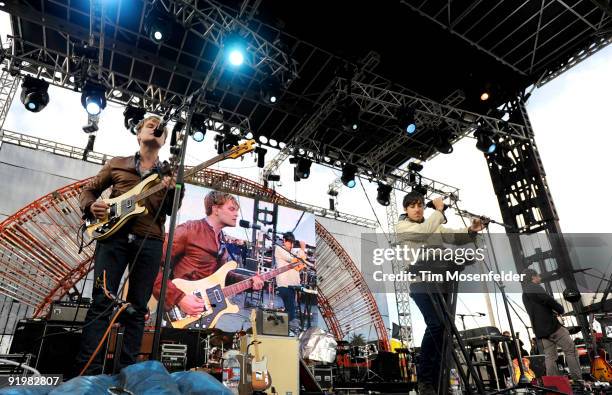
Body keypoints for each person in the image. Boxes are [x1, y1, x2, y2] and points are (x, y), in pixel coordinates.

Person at [75, 115, 182, 375]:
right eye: (150, 124)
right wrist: (91, 206)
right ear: (138, 133)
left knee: (137, 308)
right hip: (114, 238)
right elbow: (87, 192)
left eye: (161, 129)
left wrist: (171, 188)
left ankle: (128, 373)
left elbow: (171, 209)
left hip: (150, 241)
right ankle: (89, 373)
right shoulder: (117, 164)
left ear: (164, 140)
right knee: (102, 302)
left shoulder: (169, 173)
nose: (156, 128)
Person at [395, 191, 485, 395]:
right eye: (412, 206)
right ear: (406, 210)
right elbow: (425, 231)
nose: (417, 209)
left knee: (445, 331)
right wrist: (438, 210)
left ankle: (438, 381)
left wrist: (471, 230)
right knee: (435, 324)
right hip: (421, 284)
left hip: (442, 281)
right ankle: (425, 379)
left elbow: (453, 235)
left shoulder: (434, 224)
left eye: (420, 205)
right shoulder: (403, 226)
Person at [151, 191, 263, 323]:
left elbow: (222, 277)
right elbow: (151, 264)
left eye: (236, 210)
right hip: (178, 311)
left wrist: (250, 281)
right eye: (232, 209)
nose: (236, 214)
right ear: (215, 209)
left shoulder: (221, 241)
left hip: (204, 312)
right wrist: (178, 298)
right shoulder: (189, 229)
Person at [521, 268, 581, 381]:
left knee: (550, 357)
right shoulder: (534, 287)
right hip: (552, 327)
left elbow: (539, 307)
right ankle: (578, 380)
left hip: (541, 331)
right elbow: (548, 299)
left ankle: (553, 383)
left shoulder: (525, 293)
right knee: (571, 350)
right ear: (533, 277)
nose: (540, 278)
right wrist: (560, 309)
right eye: (538, 276)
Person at [274, 232, 306, 328]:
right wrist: (302, 249)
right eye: (290, 242)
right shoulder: (279, 249)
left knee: (290, 310)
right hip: (285, 285)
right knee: (291, 312)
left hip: (291, 286)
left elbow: (300, 265)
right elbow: (294, 262)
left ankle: (281, 329)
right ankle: (280, 329)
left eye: (292, 243)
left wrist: (301, 251)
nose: (291, 245)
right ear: (284, 241)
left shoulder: (291, 252)